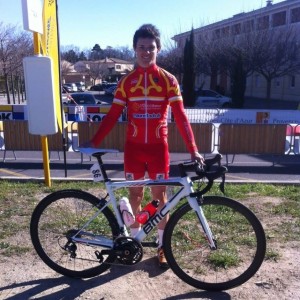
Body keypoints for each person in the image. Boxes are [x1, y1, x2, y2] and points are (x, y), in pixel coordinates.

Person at [83, 24, 204, 268]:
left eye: (151, 48)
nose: (146, 52)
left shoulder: (168, 80)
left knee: (160, 199)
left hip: (159, 149)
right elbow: (113, 115)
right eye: (141, 48)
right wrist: (95, 142)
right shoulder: (127, 82)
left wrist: (194, 150)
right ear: (134, 49)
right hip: (134, 150)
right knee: (135, 195)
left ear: (158, 49)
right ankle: (133, 242)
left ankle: (162, 246)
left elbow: (180, 117)